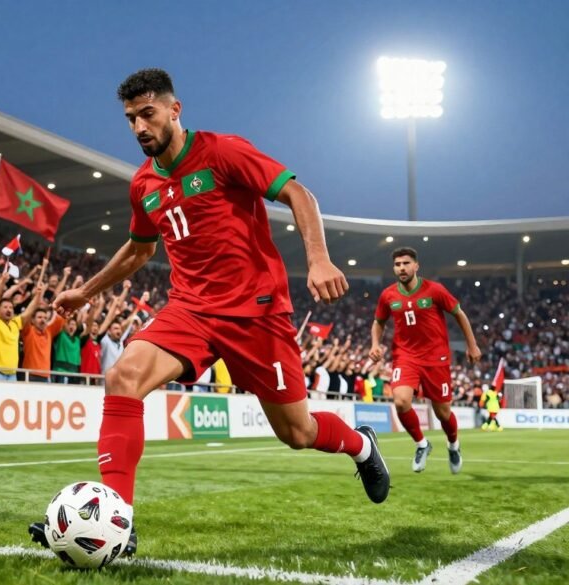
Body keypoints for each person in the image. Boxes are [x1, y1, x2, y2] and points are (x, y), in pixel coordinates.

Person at [29, 69, 390, 555]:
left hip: (256, 313)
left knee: (298, 432)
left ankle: (362, 445)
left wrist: (319, 258)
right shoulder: (143, 184)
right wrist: (85, 292)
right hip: (191, 311)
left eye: (148, 114)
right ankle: (118, 522)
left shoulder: (223, 152)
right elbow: (139, 249)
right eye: (131, 118)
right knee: (123, 377)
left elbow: (298, 194)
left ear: (174, 110)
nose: (139, 127)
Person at [369, 247, 482, 473]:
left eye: (406, 263)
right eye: (397, 264)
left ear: (416, 266)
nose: (402, 268)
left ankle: (453, 445)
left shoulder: (434, 290)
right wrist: (374, 344)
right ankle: (422, 444)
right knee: (401, 401)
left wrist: (472, 345)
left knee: (443, 413)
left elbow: (459, 314)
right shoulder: (388, 295)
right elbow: (378, 322)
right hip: (405, 356)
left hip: (436, 358)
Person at [0, 259, 42, 381]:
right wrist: (2, 283)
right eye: (5, 307)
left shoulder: (16, 322)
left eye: (11, 307)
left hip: (12, 373)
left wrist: (38, 295)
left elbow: (29, 310)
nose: (9, 310)